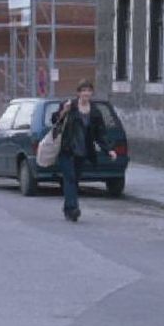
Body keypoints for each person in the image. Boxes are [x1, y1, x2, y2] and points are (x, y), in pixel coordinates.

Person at [53, 79, 115, 222]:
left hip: (82, 151)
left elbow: (101, 133)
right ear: (78, 93)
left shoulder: (95, 112)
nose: (86, 93)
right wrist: (64, 111)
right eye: (83, 90)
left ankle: (68, 208)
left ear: (91, 93)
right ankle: (74, 209)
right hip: (67, 149)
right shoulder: (70, 106)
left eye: (89, 90)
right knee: (70, 178)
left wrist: (109, 149)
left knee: (74, 180)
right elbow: (55, 120)